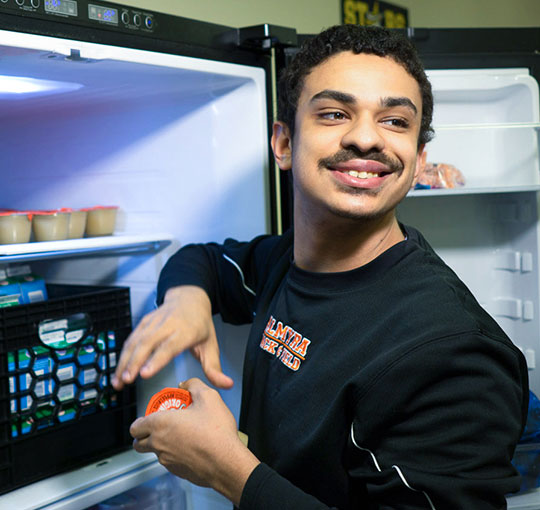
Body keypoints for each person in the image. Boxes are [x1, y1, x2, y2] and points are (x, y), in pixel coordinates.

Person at [112, 24, 528, 509]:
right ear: (284, 143)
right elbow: (201, 259)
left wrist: (227, 470)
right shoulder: (287, 262)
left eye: (395, 121)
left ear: (418, 162)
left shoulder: (456, 356)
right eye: (334, 113)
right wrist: (187, 302)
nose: (366, 138)